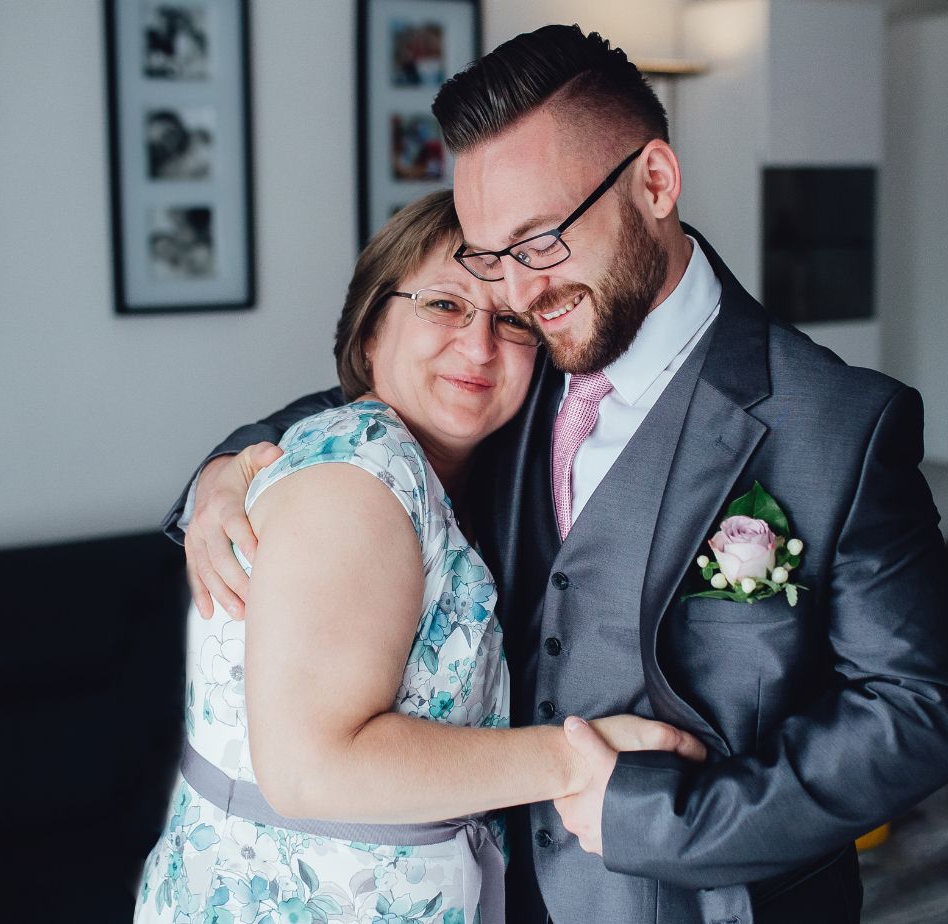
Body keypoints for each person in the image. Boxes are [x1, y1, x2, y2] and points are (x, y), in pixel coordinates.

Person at [168, 26, 948, 924]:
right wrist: (224, 472)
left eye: (542, 240)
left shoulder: (839, 423)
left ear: (656, 183)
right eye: (489, 256)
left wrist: (667, 821)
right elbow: (378, 405)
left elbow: (923, 709)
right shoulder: (516, 365)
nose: (515, 295)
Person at [135, 191, 704, 924]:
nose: (479, 345)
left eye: (511, 320)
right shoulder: (360, 477)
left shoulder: (457, 471)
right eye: (443, 305)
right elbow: (312, 770)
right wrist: (576, 759)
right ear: (371, 329)